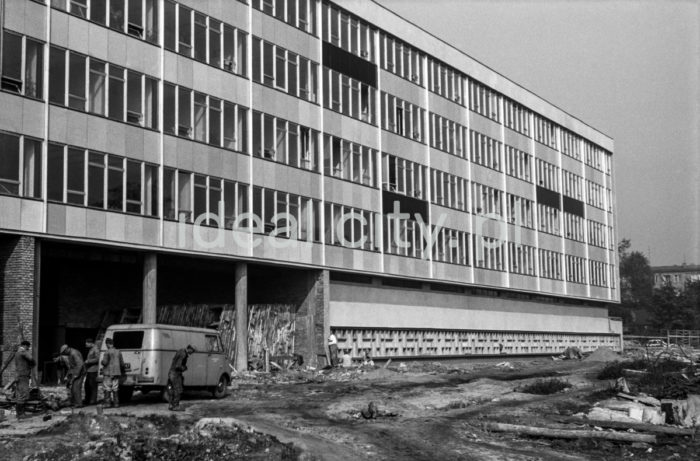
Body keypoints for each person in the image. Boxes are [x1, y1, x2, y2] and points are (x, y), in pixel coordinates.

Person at [168, 345, 194, 411]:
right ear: (189, 348)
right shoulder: (183, 354)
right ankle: (176, 406)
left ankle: (171, 405)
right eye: (192, 351)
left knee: (172, 389)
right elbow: (178, 366)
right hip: (176, 374)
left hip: (171, 372)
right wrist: (184, 368)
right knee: (178, 389)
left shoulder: (180, 351)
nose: (192, 352)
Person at [14, 341, 35, 420]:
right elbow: (31, 359)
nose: (28, 348)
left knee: (20, 394)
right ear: (25, 345)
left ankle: (19, 413)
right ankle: (21, 414)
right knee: (23, 394)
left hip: (19, 375)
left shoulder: (17, 352)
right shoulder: (22, 351)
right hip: (23, 375)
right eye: (28, 347)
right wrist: (32, 364)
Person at [101, 338, 124, 408]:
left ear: (107, 344)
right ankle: (116, 404)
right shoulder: (118, 352)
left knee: (107, 388)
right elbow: (122, 364)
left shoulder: (107, 352)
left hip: (108, 372)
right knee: (115, 388)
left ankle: (107, 404)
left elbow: (104, 362)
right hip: (116, 372)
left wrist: (102, 362)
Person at [83, 338, 100, 405]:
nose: (85, 344)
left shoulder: (95, 349)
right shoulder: (91, 349)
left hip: (93, 370)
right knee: (87, 385)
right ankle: (88, 399)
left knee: (93, 386)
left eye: (86, 343)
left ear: (90, 343)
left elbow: (98, 359)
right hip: (90, 370)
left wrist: (88, 361)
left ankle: (93, 400)